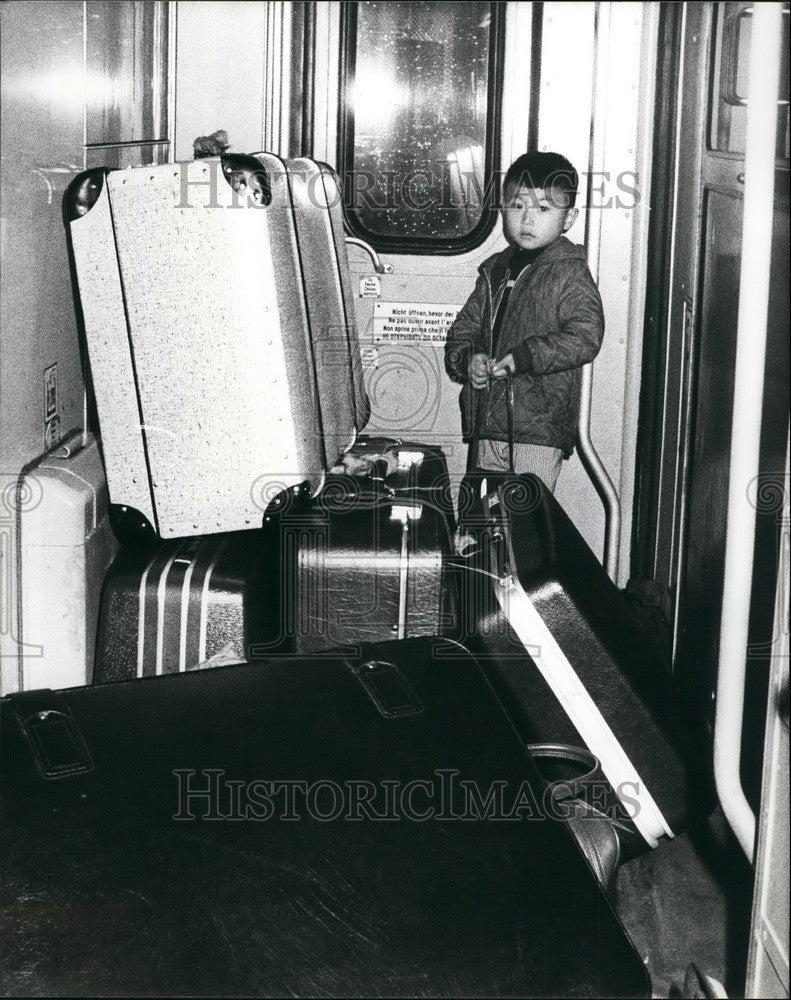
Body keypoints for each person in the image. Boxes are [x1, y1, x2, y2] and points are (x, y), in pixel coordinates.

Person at [444, 151, 604, 492]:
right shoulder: (495, 269)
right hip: (487, 419)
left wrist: (526, 357)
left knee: (525, 522)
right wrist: (469, 358)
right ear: (503, 209)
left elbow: (585, 335)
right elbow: (465, 329)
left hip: (538, 428)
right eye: (518, 207)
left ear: (569, 217)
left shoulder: (569, 272)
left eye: (543, 209)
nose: (528, 220)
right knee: (481, 519)